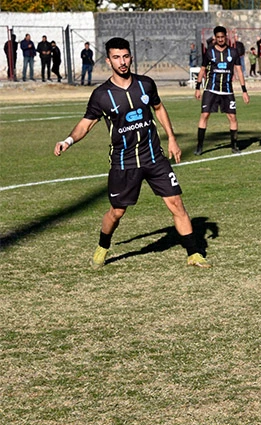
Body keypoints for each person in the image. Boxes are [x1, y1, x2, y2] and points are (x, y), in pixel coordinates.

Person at [53, 37, 211, 270]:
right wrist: (68, 140)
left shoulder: (145, 84)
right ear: (108, 61)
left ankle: (194, 253)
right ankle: (102, 246)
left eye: (125, 56)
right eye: (116, 57)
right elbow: (86, 123)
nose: (122, 61)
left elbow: (158, 108)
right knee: (116, 212)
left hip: (154, 157)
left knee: (176, 203)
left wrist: (172, 139)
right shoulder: (101, 94)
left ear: (131, 57)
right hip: (124, 162)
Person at [194, 26, 250, 155]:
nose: (220, 39)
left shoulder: (233, 52)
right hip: (211, 89)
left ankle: (234, 146)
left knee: (232, 117)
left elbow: (239, 71)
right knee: (205, 115)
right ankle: (199, 146)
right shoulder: (209, 52)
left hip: (227, 90)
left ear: (226, 37)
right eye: (218, 37)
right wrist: (198, 88)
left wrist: (244, 91)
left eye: (222, 37)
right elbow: (202, 70)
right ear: (215, 38)